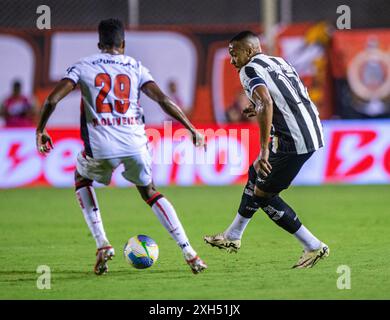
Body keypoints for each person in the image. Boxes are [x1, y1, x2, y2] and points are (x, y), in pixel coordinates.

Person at [35, 18, 207, 275]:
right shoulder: (136, 67)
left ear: (99, 43)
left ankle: (102, 243)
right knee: (149, 191)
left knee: (81, 178)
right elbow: (162, 99)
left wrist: (41, 129)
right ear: (123, 44)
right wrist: (191, 128)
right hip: (135, 143)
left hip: (101, 144)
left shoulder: (84, 66)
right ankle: (189, 252)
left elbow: (51, 99)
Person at [204, 31, 329, 269]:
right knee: (255, 174)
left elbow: (266, 102)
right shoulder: (278, 61)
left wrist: (263, 149)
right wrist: (257, 105)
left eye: (235, 54)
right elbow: (286, 95)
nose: (232, 61)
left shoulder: (248, 69)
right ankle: (233, 235)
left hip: (292, 140)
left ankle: (313, 246)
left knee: (263, 196)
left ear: (249, 51)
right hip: (312, 128)